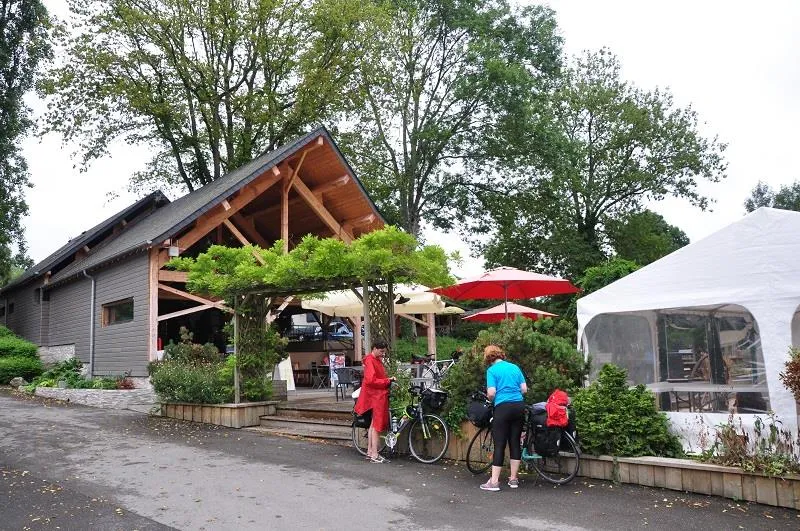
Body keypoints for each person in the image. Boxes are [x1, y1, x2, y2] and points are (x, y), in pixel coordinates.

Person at [480, 344, 527, 491]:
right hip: (519, 406)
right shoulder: (514, 367)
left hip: (503, 408)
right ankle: (513, 479)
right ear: (501, 354)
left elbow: (492, 392)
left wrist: (490, 398)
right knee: (514, 441)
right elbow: (524, 389)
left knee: (500, 443)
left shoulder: (492, 370)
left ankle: (494, 482)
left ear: (488, 358)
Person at [353, 340, 396, 463]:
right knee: (376, 425)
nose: (383, 354)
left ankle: (370, 452)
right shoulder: (371, 361)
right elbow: (371, 380)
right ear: (375, 348)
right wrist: (387, 381)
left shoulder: (371, 360)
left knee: (373, 425)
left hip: (373, 395)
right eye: (381, 351)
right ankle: (374, 455)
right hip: (376, 396)